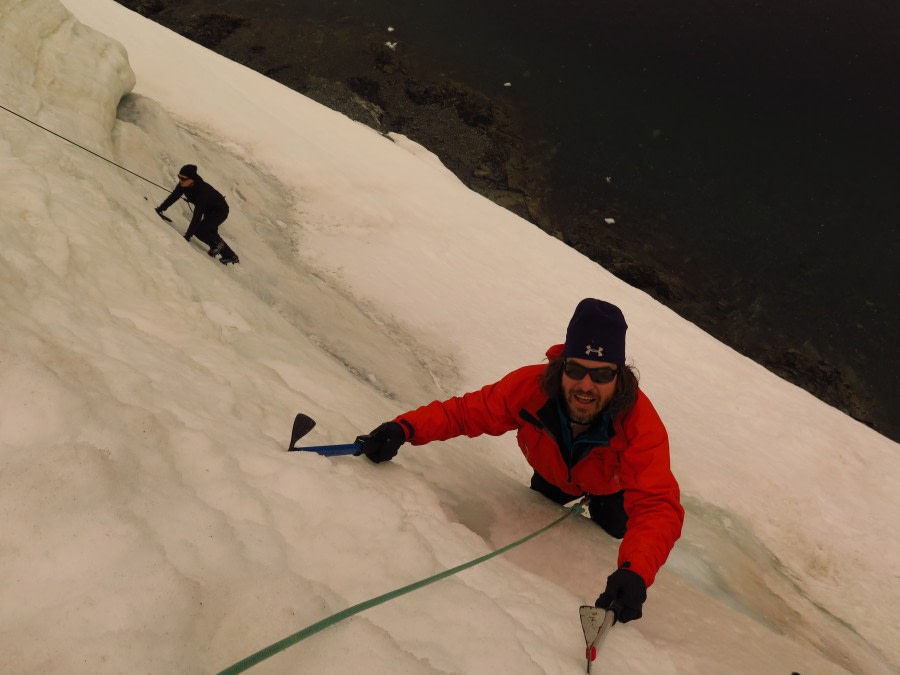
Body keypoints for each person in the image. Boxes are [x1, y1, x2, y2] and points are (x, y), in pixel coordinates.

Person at [357, 298, 684, 623]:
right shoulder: (529, 388)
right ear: (562, 367)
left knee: (613, 530)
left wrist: (635, 572)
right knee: (539, 514)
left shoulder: (639, 422)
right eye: (576, 370)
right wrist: (405, 427)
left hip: (613, 488)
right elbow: (466, 414)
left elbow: (656, 503)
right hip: (551, 476)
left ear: (619, 377)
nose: (586, 385)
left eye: (601, 375)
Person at [156, 164, 240, 265]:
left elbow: (197, 215)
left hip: (220, 211)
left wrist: (187, 236)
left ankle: (230, 255)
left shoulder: (202, 192)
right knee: (208, 231)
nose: (180, 180)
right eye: (179, 177)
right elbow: (174, 196)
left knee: (200, 230)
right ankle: (217, 248)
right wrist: (160, 209)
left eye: (183, 178)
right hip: (209, 209)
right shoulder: (183, 185)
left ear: (192, 179)